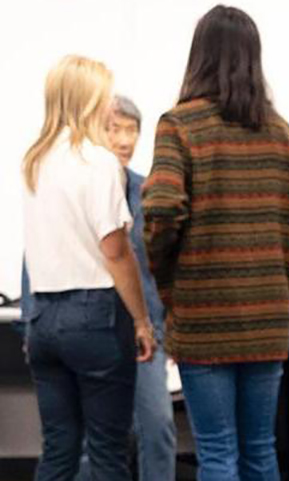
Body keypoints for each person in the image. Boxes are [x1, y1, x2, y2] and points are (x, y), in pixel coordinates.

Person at [141, 5, 289, 481]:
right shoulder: (284, 134)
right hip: (268, 317)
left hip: (202, 318)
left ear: (199, 56)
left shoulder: (179, 125)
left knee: (217, 453)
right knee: (261, 450)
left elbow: (160, 210)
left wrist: (168, 286)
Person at [21, 54, 155, 481]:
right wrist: (141, 319)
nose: (109, 106)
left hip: (42, 318)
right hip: (94, 316)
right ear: (88, 99)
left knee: (58, 450)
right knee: (108, 450)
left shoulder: (34, 161)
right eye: (105, 97)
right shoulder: (97, 162)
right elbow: (115, 251)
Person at [102, 95, 177, 481]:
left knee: (158, 426)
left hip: (146, 329)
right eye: (115, 129)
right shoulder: (82, 186)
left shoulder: (148, 190)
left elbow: (163, 264)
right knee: (101, 438)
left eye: (131, 130)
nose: (124, 139)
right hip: (95, 327)